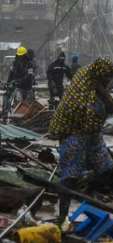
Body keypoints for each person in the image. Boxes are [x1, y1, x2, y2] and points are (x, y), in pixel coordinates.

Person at [47, 57, 113, 222]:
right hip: (74, 135)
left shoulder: (98, 87)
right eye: (108, 76)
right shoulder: (82, 86)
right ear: (99, 75)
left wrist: (103, 91)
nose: (110, 80)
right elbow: (89, 114)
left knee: (107, 169)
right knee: (69, 176)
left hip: (93, 135)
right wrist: (104, 94)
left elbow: (109, 109)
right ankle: (62, 216)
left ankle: (88, 193)